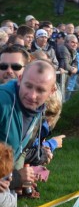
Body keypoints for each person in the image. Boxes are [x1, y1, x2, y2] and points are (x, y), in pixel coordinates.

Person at [0, 60, 54, 199]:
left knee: (9, 202)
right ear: (19, 80)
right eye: (28, 86)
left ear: (52, 91)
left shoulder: (37, 110)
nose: (32, 95)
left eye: (41, 90)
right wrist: (16, 177)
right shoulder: (3, 101)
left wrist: (16, 178)